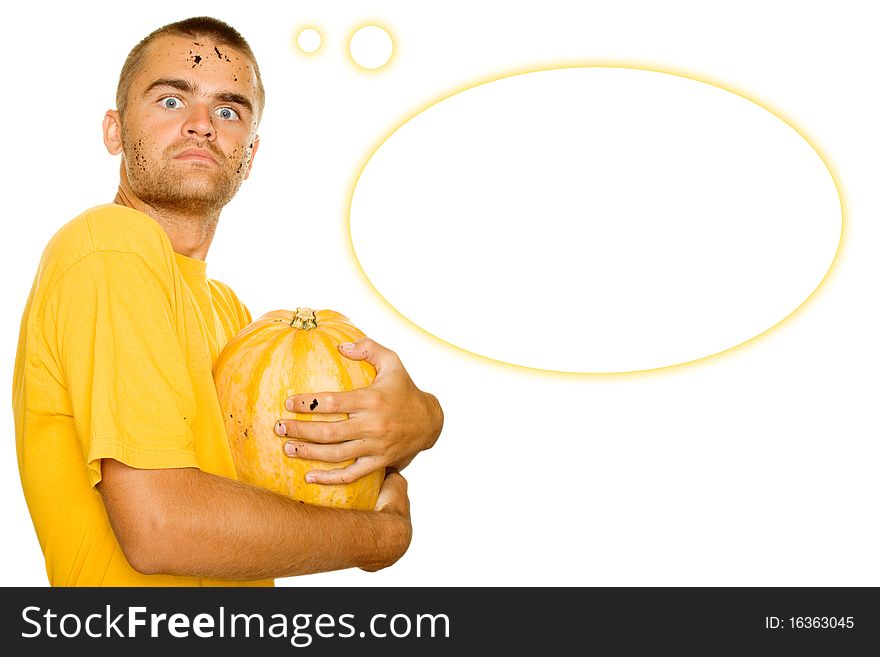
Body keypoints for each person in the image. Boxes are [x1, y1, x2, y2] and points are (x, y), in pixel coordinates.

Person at [12, 16, 443, 586]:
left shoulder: (231, 315)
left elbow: (294, 494)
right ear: (114, 130)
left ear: (251, 152)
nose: (200, 126)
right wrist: (381, 539)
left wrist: (415, 425)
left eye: (227, 111)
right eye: (170, 100)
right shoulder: (109, 246)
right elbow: (162, 527)